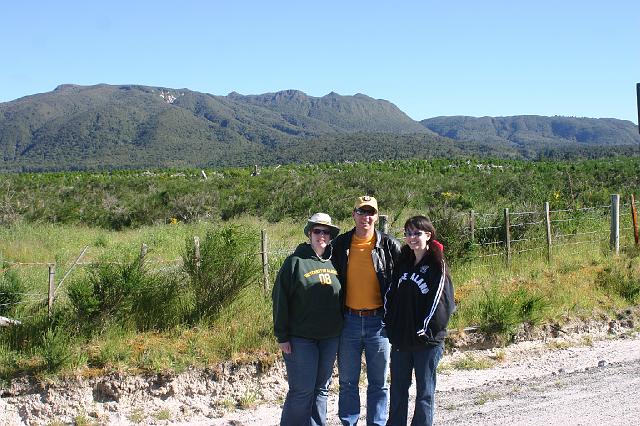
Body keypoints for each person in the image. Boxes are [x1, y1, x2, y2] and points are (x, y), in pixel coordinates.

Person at [332, 196, 402, 426]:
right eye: (361, 212)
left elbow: (405, 278)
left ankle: (377, 423)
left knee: (378, 383)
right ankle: (349, 422)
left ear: (376, 216)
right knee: (348, 382)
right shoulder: (341, 245)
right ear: (353, 215)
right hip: (349, 321)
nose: (366, 217)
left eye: (370, 212)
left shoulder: (389, 245)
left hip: (379, 323)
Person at [272, 212, 343, 426]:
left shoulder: (336, 262)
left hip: (330, 338)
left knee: (321, 389)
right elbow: (280, 300)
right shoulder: (295, 262)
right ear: (309, 233)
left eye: (326, 231)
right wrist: (282, 335)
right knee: (302, 390)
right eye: (317, 231)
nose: (321, 235)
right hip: (301, 338)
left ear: (331, 236)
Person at [383, 216, 455, 426]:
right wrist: (390, 325)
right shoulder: (403, 262)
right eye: (408, 233)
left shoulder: (436, 265)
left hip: (427, 341)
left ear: (428, 235)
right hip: (402, 341)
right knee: (398, 389)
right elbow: (391, 295)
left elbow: (441, 303)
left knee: (425, 392)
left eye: (417, 233)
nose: (412, 238)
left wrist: (424, 330)